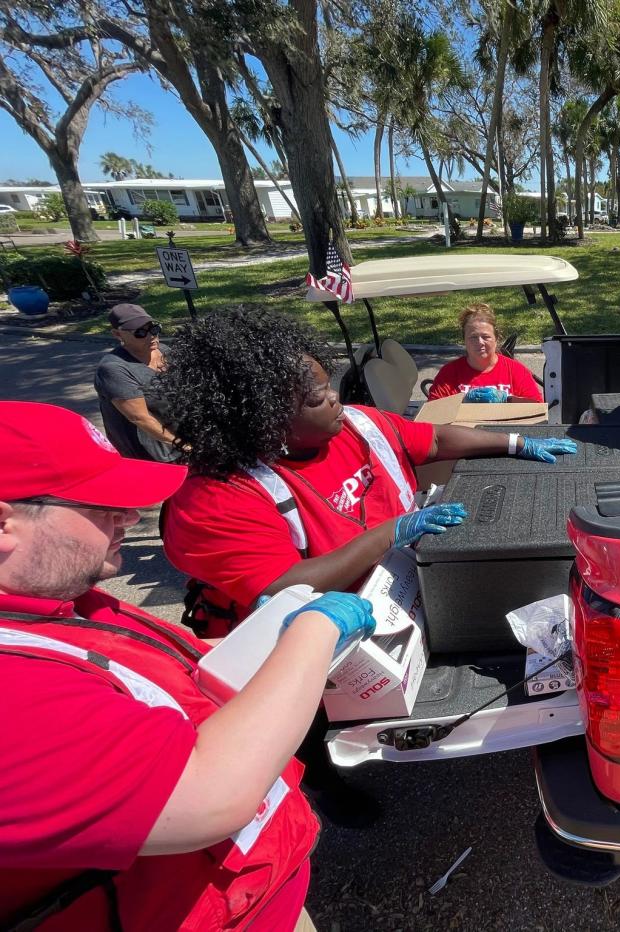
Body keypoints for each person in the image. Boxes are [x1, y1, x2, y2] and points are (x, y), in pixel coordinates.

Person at [0, 401, 376, 930]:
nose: (129, 517)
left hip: (251, 895)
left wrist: (259, 637)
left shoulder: (56, 598)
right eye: (101, 503)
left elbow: (170, 672)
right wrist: (313, 632)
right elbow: (210, 793)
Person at [158, 307, 573, 627]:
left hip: (408, 590)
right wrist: (390, 534)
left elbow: (436, 437)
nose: (336, 400)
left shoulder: (359, 424)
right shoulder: (216, 498)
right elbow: (283, 586)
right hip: (327, 638)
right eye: (317, 399)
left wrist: (516, 442)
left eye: (329, 388)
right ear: (263, 416)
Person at [93, 303, 179, 462]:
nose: (151, 336)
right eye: (140, 333)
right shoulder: (114, 369)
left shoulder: (165, 352)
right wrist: (181, 445)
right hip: (152, 454)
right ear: (118, 334)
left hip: (180, 441)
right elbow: (141, 418)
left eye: (154, 328)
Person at [427, 303, 544, 402]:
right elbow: (433, 413)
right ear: (464, 340)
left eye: (485, 337)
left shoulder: (516, 371)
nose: (480, 342)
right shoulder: (448, 374)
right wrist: (462, 401)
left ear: (496, 339)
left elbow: (537, 407)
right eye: (473, 337)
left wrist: (506, 399)